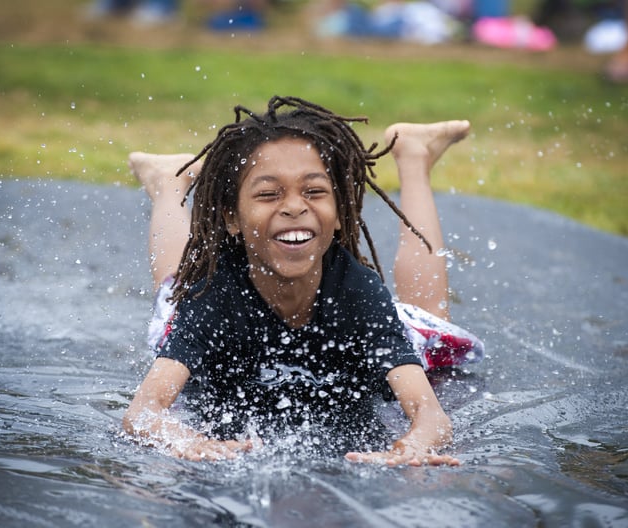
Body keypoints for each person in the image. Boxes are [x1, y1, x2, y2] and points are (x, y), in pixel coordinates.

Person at [122, 96, 484, 466]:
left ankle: (414, 155)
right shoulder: (212, 296)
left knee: (428, 320)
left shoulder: (357, 292)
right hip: (209, 300)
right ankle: (169, 182)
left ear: (340, 211)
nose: (295, 206)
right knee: (174, 288)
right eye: (268, 193)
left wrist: (415, 444)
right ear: (232, 217)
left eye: (314, 191)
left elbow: (431, 415)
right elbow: (143, 412)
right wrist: (182, 438)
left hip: (355, 323)